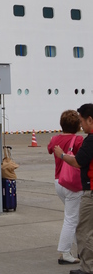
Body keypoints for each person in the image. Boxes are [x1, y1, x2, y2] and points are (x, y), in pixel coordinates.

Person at [54, 103, 93, 274]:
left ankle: (85, 265)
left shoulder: (88, 140)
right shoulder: (80, 140)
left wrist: (62, 155)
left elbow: (78, 161)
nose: (81, 125)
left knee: (81, 226)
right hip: (74, 186)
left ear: (89, 120)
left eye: (82, 121)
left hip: (82, 187)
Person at [47, 109, 83, 264]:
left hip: (58, 181)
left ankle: (81, 249)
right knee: (72, 219)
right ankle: (65, 252)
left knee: (74, 216)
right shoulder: (79, 140)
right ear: (78, 126)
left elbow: (49, 149)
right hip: (73, 183)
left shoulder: (55, 139)